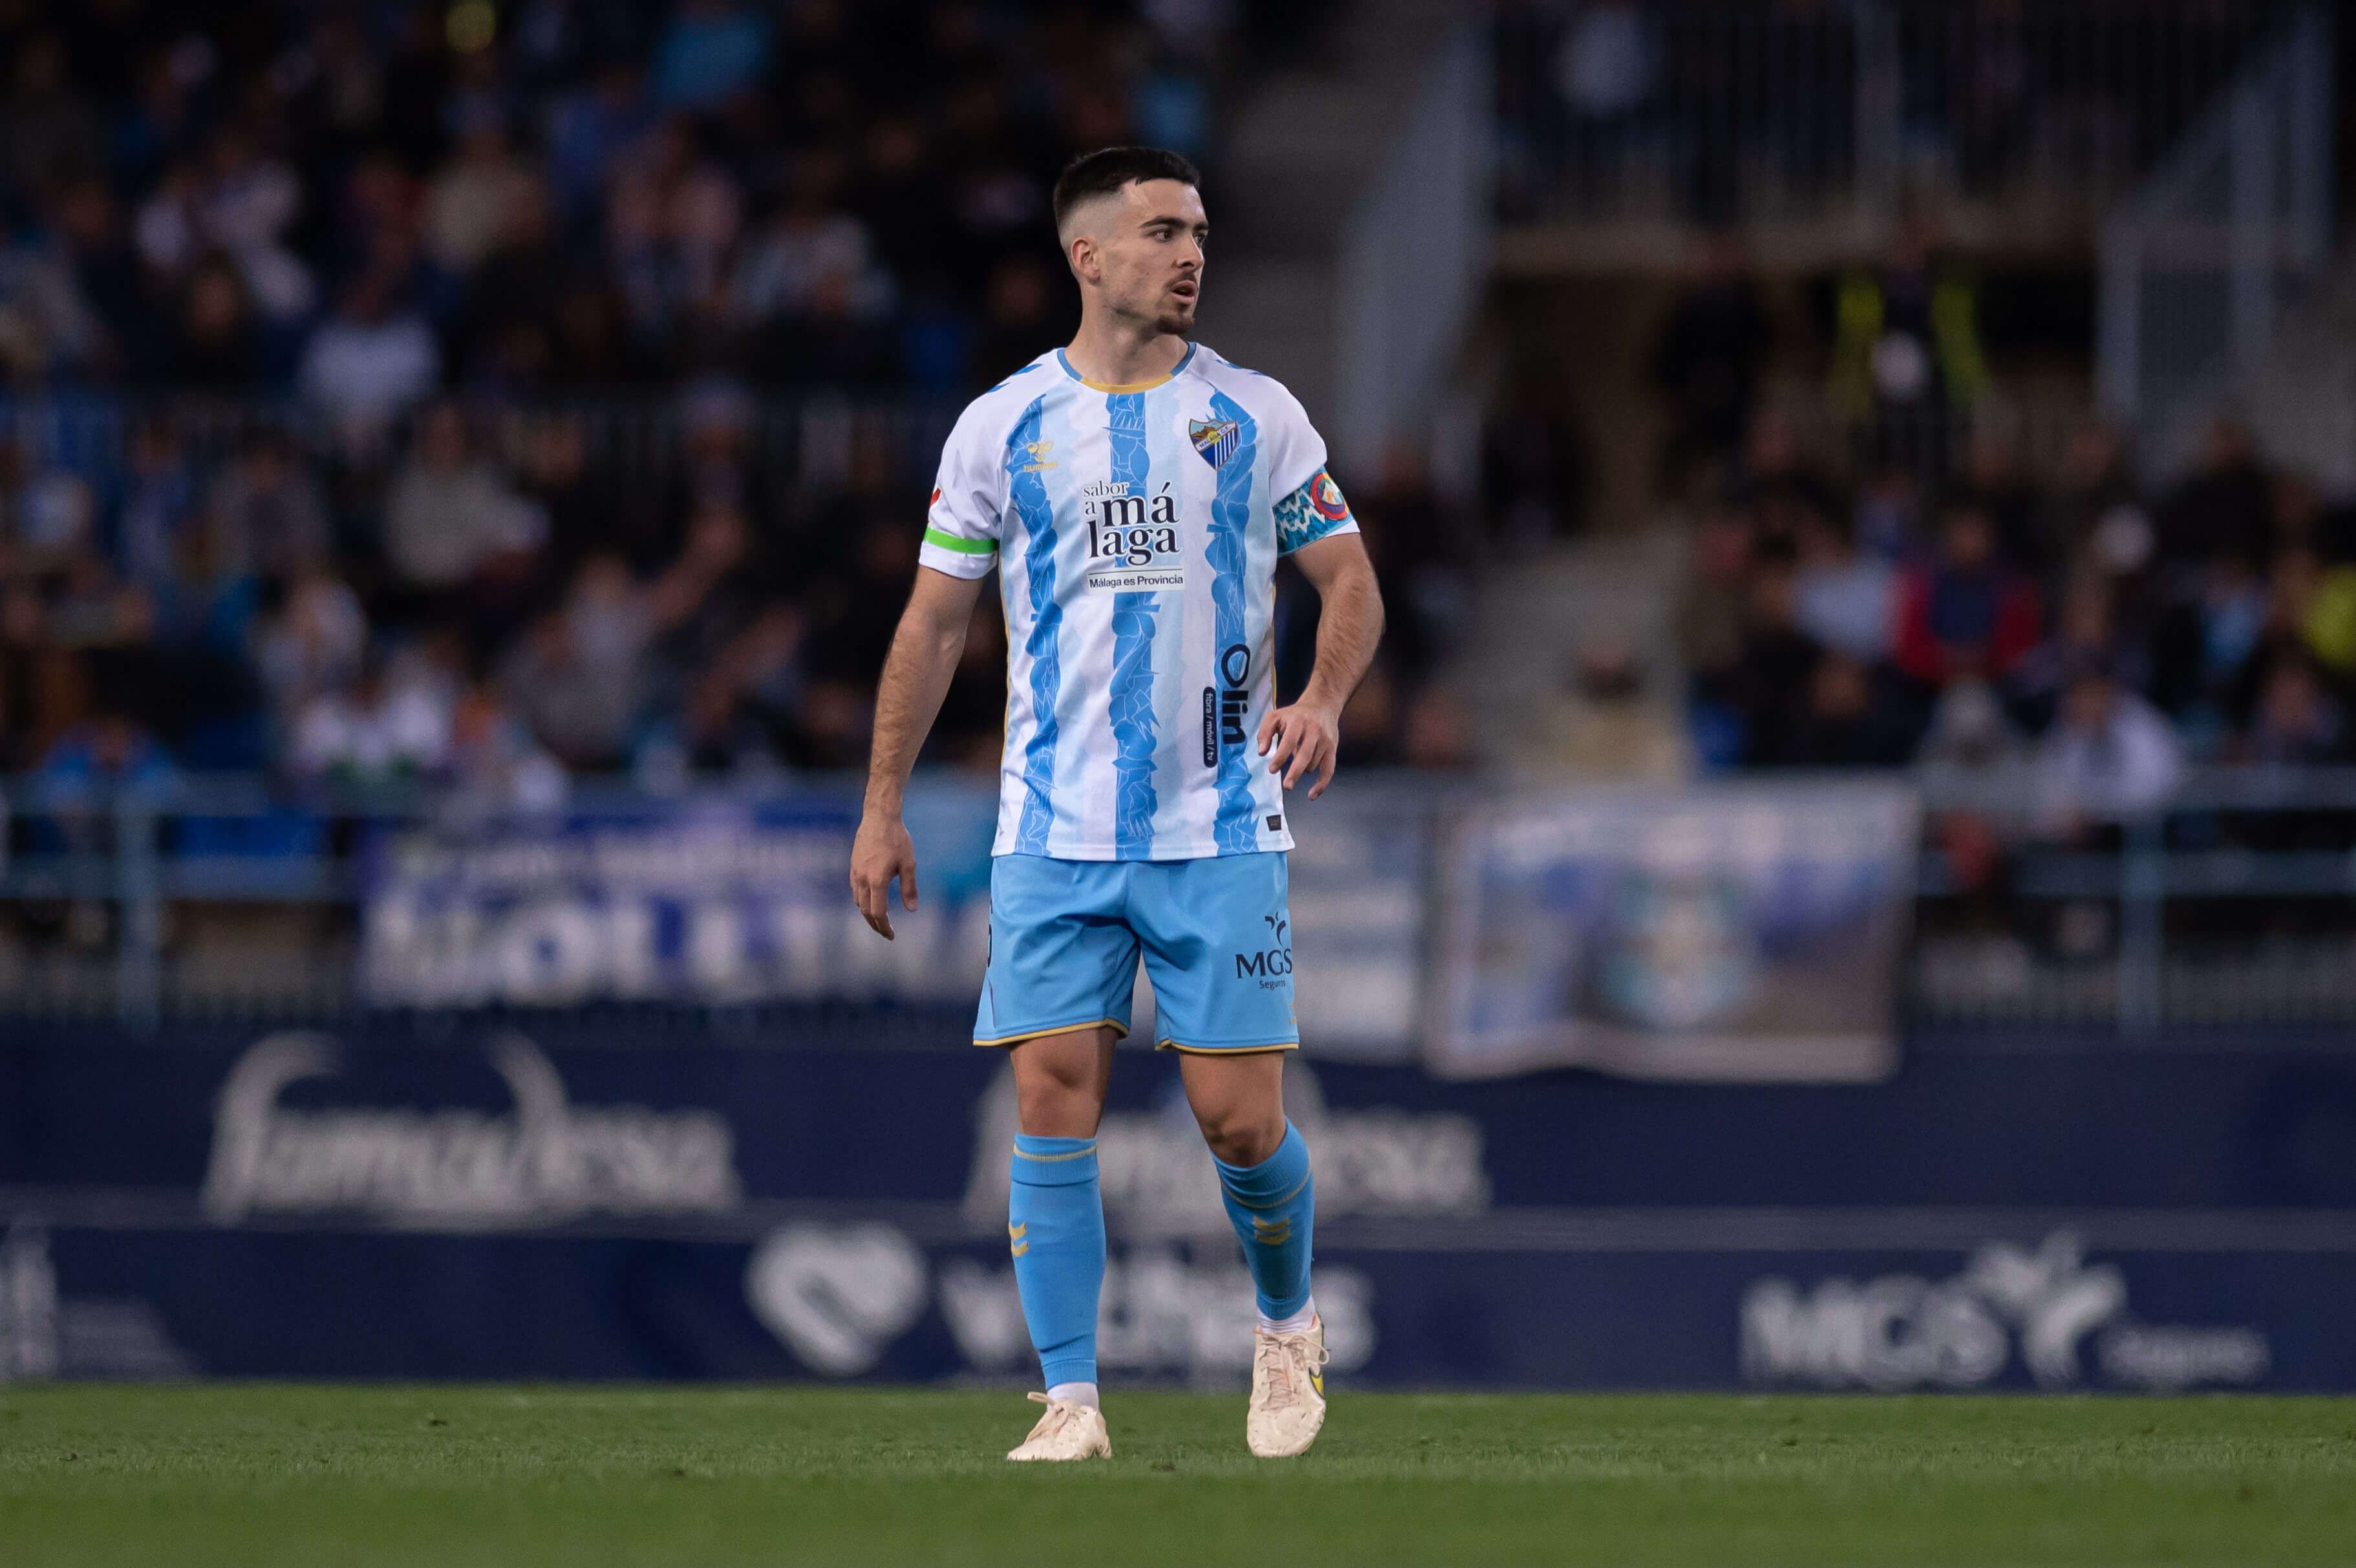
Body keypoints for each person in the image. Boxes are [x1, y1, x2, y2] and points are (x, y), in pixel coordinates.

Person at [848, 147, 1382, 1463]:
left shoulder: (1257, 415)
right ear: (1088, 257)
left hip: (1217, 826)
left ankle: (1284, 1324)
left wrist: (1320, 698)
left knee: (1237, 1119)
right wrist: (882, 805)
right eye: (1158, 231)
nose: (1187, 251)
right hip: (1051, 828)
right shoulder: (1001, 426)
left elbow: (1352, 581)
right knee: (1049, 1092)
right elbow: (932, 620)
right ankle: (1072, 1401)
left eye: (1196, 229)